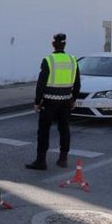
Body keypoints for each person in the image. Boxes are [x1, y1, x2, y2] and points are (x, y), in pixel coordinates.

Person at [25, 33, 81, 170]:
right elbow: (77, 83)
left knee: (44, 130)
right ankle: (63, 159)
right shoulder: (73, 60)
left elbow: (41, 84)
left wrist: (37, 101)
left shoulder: (48, 60)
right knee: (64, 129)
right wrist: (74, 98)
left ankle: (41, 160)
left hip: (49, 101)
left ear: (53, 44)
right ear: (65, 44)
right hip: (66, 101)